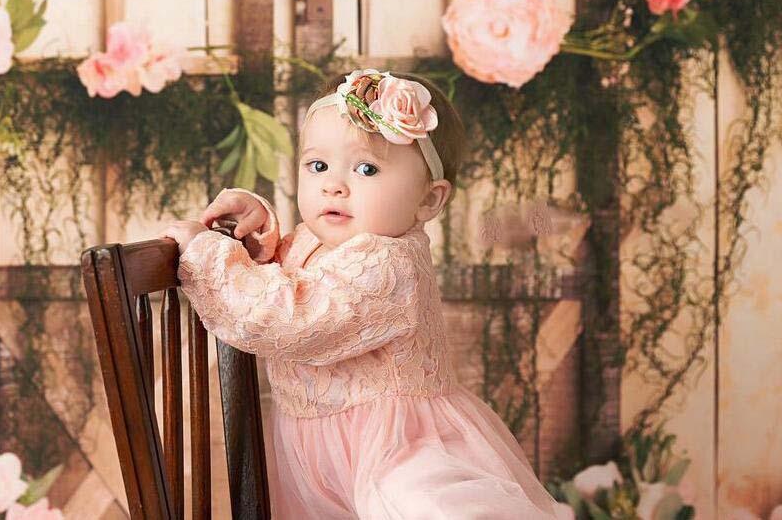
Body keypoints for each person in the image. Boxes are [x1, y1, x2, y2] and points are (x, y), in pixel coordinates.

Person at [160, 69, 562, 519]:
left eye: (366, 168)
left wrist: (205, 251)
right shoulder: (316, 241)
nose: (333, 185)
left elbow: (288, 317)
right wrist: (255, 235)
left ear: (428, 200)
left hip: (397, 450)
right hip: (322, 457)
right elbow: (281, 276)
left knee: (425, 510)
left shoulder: (387, 263)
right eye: (317, 166)